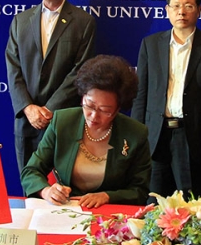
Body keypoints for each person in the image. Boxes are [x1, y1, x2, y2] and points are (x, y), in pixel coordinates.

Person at [131, 0, 201, 200]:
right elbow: (141, 94)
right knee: (154, 199)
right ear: (167, 10)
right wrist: (138, 135)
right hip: (157, 134)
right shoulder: (151, 44)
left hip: (194, 135)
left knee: (195, 200)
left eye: (188, 6)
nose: (181, 12)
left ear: (199, 10)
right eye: (176, 6)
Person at [6, 0, 96, 174]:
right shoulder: (20, 21)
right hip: (27, 120)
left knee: (62, 190)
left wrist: (49, 110)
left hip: (63, 119)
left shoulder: (83, 22)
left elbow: (81, 70)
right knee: (29, 184)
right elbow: (13, 67)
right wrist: (28, 108)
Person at [21, 55, 150, 208]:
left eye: (104, 110)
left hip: (110, 214)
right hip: (68, 208)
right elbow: (31, 171)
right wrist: (47, 191)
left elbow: (140, 190)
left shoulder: (135, 133)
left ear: (117, 109)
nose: (94, 116)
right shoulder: (63, 122)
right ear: (82, 97)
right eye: (89, 105)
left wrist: (107, 196)